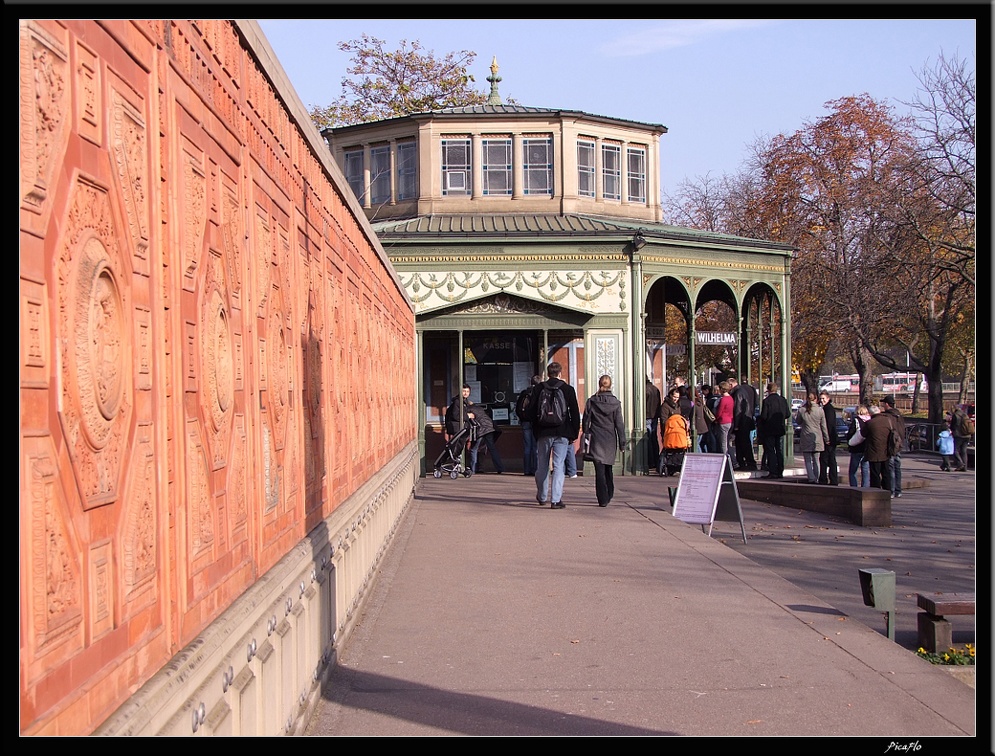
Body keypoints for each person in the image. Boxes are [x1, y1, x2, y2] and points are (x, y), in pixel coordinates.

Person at [528, 362, 580, 509]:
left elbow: (531, 411)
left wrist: (535, 430)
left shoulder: (538, 388)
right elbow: (575, 414)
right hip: (562, 432)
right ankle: (556, 500)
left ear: (547, 373)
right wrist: (573, 433)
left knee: (542, 465)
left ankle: (542, 496)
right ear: (560, 373)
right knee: (558, 466)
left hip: (543, 432)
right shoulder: (568, 389)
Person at [582, 375, 626, 507]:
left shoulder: (592, 401)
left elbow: (585, 420)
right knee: (608, 468)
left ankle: (602, 498)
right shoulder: (616, 404)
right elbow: (619, 424)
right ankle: (610, 492)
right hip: (610, 438)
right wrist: (622, 442)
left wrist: (586, 431)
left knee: (599, 470)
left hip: (596, 437)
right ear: (610, 385)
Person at [758, 382, 789, 479]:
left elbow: (764, 416)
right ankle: (780, 470)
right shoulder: (783, 400)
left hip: (769, 429)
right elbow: (787, 414)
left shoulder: (767, 401)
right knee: (779, 450)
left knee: (770, 450)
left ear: (768, 390)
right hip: (780, 428)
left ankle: (773, 471)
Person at [797, 392, 829, 483]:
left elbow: (798, 421)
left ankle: (811, 478)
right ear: (816, 399)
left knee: (807, 460)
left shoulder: (802, 410)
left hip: (806, 437)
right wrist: (827, 438)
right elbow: (824, 426)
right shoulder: (820, 410)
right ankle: (817, 477)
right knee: (816, 460)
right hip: (817, 437)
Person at [468, 400, 504, 474]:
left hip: (480, 429)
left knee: (474, 449)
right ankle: (500, 468)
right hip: (490, 428)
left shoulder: (468, 410)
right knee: (492, 448)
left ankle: (472, 469)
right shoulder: (480, 408)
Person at [863, 404, 893, 493]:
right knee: (886, 473)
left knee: (875, 474)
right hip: (886, 451)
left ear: (871, 414)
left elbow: (863, 434)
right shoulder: (887, 421)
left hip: (874, 452)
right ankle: (887, 491)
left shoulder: (870, 423)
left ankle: (876, 492)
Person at [730, 377, 758, 471]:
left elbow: (738, 409)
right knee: (744, 443)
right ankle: (745, 462)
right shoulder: (746, 390)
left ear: (731, 385)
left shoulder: (738, 393)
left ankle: (746, 462)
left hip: (741, 423)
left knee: (742, 443)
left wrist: (736, 425)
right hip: (746, 420)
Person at [516, 375, 542, 476]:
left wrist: (522, 419)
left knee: (527, 447)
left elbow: (518, 408)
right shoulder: (539, 393)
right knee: (535, 447)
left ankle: (526, 470)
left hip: (525, 422)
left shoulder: (524, 393)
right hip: (535, 422)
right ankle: (535, 469)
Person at [881, 395, 906, 498]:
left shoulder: (888, 416)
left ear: (887, 404)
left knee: (890, 468)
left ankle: (891, 490)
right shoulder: (899, 416)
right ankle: (898, 490)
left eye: (883, 404)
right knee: (897, 467)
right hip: (898, 444)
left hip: (890, 444)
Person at [846, 405, 871, 487]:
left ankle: (854, 487)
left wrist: (849, 440)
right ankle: (865, 487)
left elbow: (851, 433)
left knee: (853, 471)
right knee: (865, 470)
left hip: (856, 448)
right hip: (866, 448)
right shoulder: (870, 421)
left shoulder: (856, 421)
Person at [817, 391, 840, 485]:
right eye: (821, 399)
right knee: (831, 460)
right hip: (831, 438)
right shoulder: (828, 408)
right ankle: (832, 480)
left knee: (825, 459)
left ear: (828, 398)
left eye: (824, 398)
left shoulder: (828, 409)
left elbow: (829, 425)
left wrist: (828, 438)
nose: (822, 400)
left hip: (829, 438)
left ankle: (824, 479)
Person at [714, 380, 735, 465]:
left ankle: (725, 461)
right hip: (730, 421)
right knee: (727, 441)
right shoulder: (730, 398)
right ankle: (731, 460)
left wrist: (716, 418)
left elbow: (719, 412)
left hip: (723, 422)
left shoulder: (723, 400)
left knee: (723, 443)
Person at [645, 378, 662, 474]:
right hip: (654, 416)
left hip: (647, 416)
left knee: (648, 438)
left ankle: (650, 461)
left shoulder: (645, 390)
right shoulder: (655, 389)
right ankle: (656, 459)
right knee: (654, 438)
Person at [950, 405, 972, 472]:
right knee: (964, 451)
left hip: (959, 435)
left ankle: (961, 464)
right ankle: (964, 467)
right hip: (967, 435)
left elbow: (953, 426)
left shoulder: (955, 415)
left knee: (955, 450)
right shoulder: (965, 415)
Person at [692, 386, 712, 453]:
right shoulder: (700, 401)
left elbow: (694, 415)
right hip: (703, 426)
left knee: (696, 444)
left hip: (698, 426)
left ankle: (699, 456)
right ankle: (705, 454)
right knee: (702, 442)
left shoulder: (694, 403)